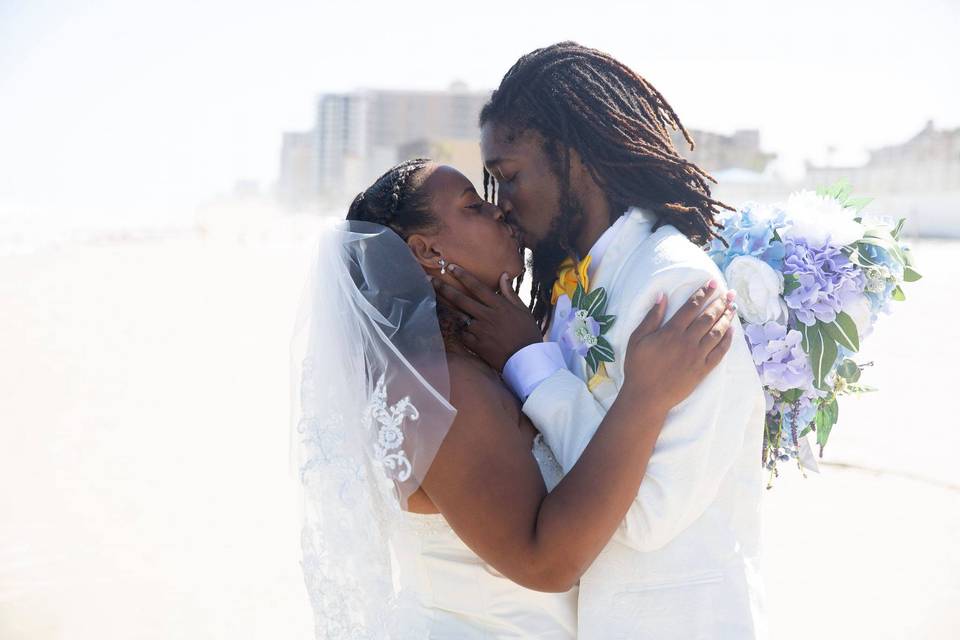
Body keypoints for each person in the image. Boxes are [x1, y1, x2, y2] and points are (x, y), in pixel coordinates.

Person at [294, 158, 738, 638]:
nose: (498, 211)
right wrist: (645, 397)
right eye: (472, 206)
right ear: (425, 251)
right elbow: (543, 564)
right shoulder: (440, 388)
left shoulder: (482, 362)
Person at [437, 42, 768, 638]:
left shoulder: (676, 283)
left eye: (508, 177)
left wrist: (527, 361)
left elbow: (646, 513)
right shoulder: (570, 283)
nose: (501, 206)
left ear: (573, 158)